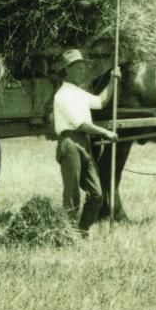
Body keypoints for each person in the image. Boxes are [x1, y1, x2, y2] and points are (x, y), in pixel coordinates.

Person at [53, 48, 120, 233]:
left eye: (83, 66)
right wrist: (106, 133)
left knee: (97, 193)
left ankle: (81, 231)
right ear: (67, 70)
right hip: (70, 143)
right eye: (78, 67)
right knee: (72, 193)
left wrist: (113, 79)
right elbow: (81, 124)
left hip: (84, 143)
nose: (83, 70)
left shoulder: (79, 93)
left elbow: (101, 102)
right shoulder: (62, 95)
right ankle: (68, 234)